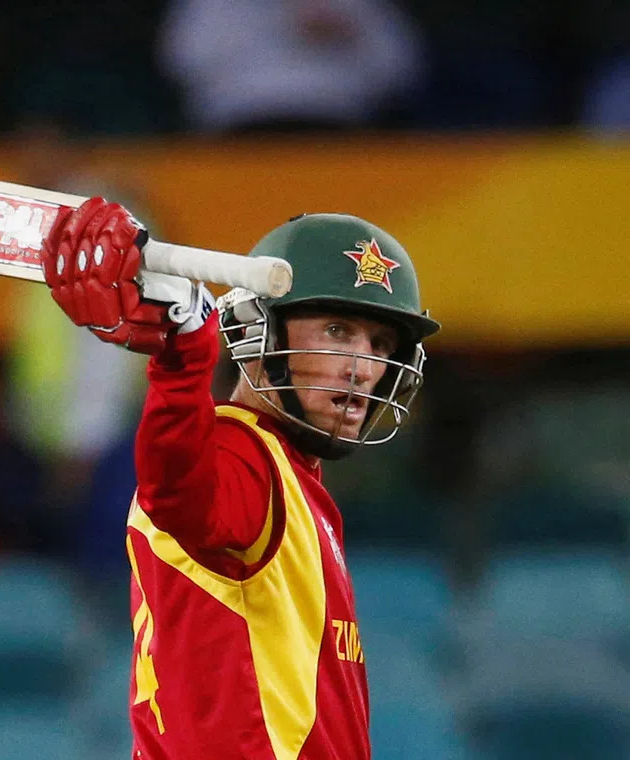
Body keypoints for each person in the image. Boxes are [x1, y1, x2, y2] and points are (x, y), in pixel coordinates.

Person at [40, 200, 439, 759]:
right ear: (257, 332)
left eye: (379, 345)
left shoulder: (293, 477)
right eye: (337, 330)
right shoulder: (240, 452)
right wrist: (181, 361)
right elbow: (179, 489)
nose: (364, 367)